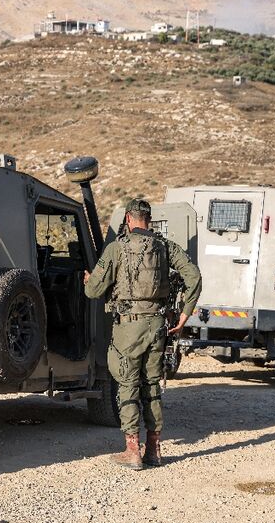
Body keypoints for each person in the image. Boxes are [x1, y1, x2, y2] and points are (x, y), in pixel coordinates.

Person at [84, 198, 202, 469]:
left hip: (129, 327)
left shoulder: (116, 248)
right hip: (157, 326)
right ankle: (154, 450)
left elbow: (93, 292)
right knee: (152, 386)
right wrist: (185, 314)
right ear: (149, 219)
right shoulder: (165, 247)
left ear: (128, 219)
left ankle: (132, 451)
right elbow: (193, 276)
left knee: (127, 385)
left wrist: (89, 281)